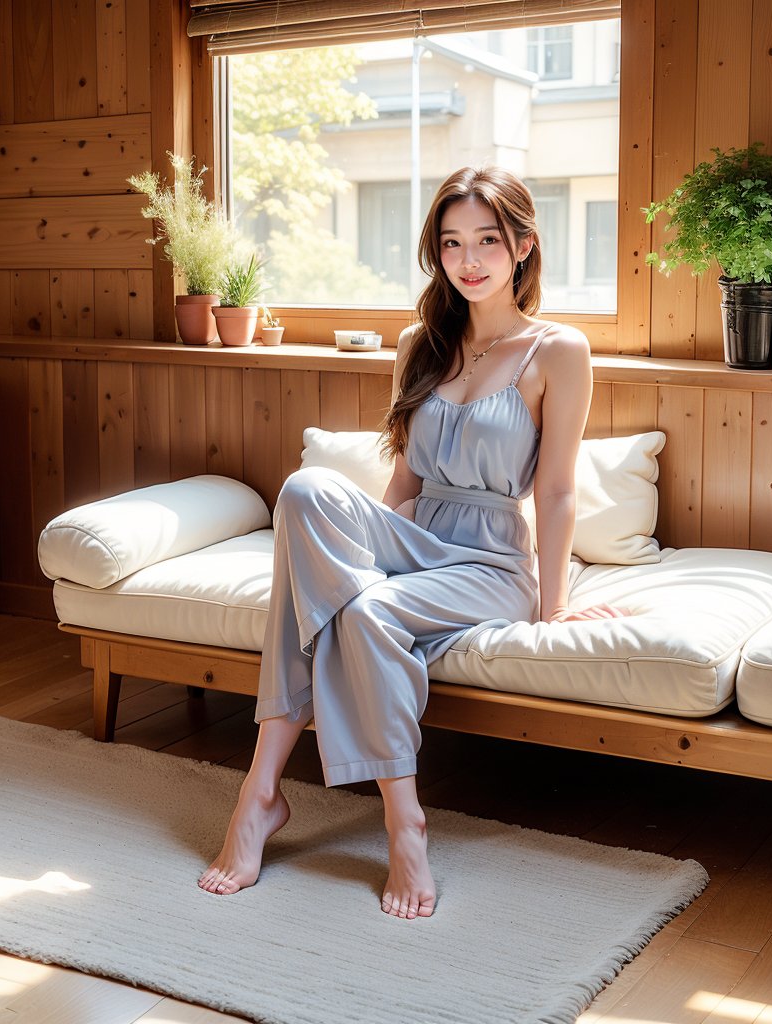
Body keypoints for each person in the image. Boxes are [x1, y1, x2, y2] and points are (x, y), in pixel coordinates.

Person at [196, 166, 624, 920]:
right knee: (304, 492)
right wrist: (360, 557)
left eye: (488, 241)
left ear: (523, 246)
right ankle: (263, 796)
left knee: (363, 614)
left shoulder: (558, 350)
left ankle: (387, 819)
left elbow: (555, 490)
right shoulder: (420, 344)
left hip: (490, 559)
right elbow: (404, 484)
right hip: (415, 536)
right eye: (453, 243)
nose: (470, 260)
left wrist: (554, 609)